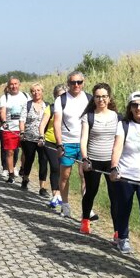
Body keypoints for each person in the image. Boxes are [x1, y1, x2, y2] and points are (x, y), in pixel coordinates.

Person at [109, 91, 140, 266]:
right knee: (124, 209)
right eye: (135, 105)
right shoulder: (123, 125)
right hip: (126, 177)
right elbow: (117, 147)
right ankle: (122, 237)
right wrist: (114, 167)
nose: (139, 108)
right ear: (130, 108)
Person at [79, 83, 121, 234]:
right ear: (94, 98)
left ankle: (117, 231)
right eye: (97, 96)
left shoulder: (118, 117)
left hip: (112, 162)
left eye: (104, 96)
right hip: (93, 160)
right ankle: (85, 220)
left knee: (115, 197)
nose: (101, 99)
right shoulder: (88, 117)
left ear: (109, 98)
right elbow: (83, 140)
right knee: (91, 191)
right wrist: (85, 158)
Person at [52, 71, 92, 218]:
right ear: (68, 83)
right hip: (67, 142)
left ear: (83, 82)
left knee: (84, 175)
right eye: (73, 82)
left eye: (79, 82)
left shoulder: (89, 99)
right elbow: (57, 123)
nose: (76, 85)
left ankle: (87, 207)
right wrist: (59, 144)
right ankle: (65, 204)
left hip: (84, 143)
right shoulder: (61, 100)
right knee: (65, 175)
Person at [19, 83, 49, 196]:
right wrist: (22, 132)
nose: (36, 93)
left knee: (43, 161)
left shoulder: (47, 106)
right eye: (33, 91)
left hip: (43, 139)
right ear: (31, 93)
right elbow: (22, 120)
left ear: (42, 92)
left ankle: (42, 187)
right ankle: (25, 178)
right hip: (28, 138)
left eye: (38, 90)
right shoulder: (27, 105)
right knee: (29, 159)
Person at [0, 77, 29, 183]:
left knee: (26, 152)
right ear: (8, 86)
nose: (14, 86)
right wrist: (4, 121)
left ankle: (23, 169)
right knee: (10, 152)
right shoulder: (4, 97)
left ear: (19, 85)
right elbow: (3, 111)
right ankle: (11, 174)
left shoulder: (26, 96)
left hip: (24, 129)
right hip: (9, 129)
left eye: (16, 84)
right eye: (11, 84)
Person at [39, 84, 66, 209]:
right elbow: (42, 124)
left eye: (64, 95)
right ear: (55, 96)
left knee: (64, 170)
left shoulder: (70, 108)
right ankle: (55, 194)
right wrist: (41, 136)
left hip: (66, 142)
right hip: (50, 141)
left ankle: (61, 196)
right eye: (59, 96)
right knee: (55, 167)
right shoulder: (50, 108)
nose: (61, 98)